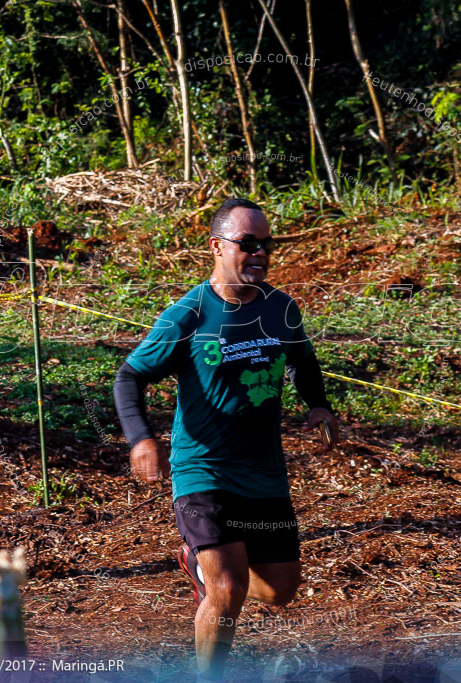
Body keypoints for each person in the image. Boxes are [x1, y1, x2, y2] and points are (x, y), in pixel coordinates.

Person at [113, 197, 338, 681]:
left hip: (263, 472)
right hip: (203, 468)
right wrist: (141, 439)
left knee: (280, 591)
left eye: (267, 244)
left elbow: (302, 359)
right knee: (229, 589)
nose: (259, 253)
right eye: (248, 243)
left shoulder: (281, 308)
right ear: (217, 246)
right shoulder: (188, 316)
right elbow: (129, 377)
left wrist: (318, 403)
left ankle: (198, 567)